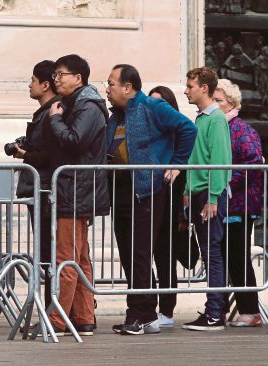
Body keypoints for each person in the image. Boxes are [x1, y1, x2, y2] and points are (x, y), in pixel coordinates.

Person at [106, 64, 197, 336]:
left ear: (128, 87)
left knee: (140, 252)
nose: (107, 89)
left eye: (111, 83)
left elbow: (187, 129)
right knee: (127, 253)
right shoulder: (117, 115)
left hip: (146, 189)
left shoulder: (152, 107)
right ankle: (139, 313)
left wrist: (176, 164)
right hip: (121, 188)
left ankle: (143, 314)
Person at [45, 54, 110, 337]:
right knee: (79, 257)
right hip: (76, 187)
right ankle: (84, 317)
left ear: (78, 78)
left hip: (75, 188)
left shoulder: (86, 106)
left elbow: (74, 141)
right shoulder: (80, 104)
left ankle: (59, 320)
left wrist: (56, 120)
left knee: (66, 258)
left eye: (61, 74)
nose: (56, 79)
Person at [182, 66, 232, 331]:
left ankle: (215, 313)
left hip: (209, 194)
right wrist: (188, 192)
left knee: (211, 252)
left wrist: (212, 197)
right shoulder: (202, 118)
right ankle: (214, 310)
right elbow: (197, 158)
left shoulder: (215, 119)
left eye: (190, 86)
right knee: (208, 251)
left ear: (204, 88)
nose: (186, 90)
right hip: (200, 192)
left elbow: (219, 160)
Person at [214, 79, 263, 327]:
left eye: (218, 100)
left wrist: (224, 179)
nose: (214, 104)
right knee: (221, 257)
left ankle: (250, 310)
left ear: (231, 103)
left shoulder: (242, 130)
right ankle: (218, 309)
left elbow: (253, 164)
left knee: (237, 256)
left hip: (241, 206)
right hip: (223, 205)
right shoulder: (218, 126)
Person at [12, 60, 60, 309]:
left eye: (32, 80)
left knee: (49, 254)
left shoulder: (52, 113)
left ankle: (53, 309)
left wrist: (25, 155)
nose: (29, 85)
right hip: (39, 189)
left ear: (45, 84)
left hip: (44, 189)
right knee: (46, 254)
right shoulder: (45, 113)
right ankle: (52, 308)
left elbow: (49, 154)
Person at [148, 86, 187, 328]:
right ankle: (147, 306)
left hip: (170, 207)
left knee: (165, 258)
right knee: (142, 257)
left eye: (159, 104)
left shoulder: (178, 137)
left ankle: (167, 310)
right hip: (149, 203)